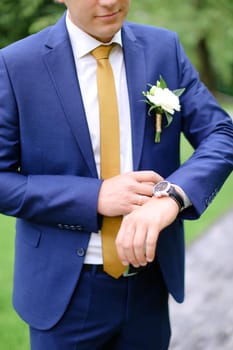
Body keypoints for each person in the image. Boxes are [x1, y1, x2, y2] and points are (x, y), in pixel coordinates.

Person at [0, 0, 232, 349]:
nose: (109, 1)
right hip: (63, 293)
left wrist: (171, 196)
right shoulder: (16, 64)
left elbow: (221, 134)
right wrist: (94, 197)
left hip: (149, 285)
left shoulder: (163, 49)